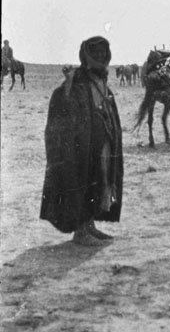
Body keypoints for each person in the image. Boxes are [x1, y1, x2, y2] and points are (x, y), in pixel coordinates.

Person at [40, 36, 124, 246]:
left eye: (103, 55)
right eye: (95, 54)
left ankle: (89, 226)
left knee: (100, 181)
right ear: (86, 57)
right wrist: (68, 83)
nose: (100, 58)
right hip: (82, 148)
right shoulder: (77, 80)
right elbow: (63, 104)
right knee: (83, 182)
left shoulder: (100, 80)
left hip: (102, 144)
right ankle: (80, 232)